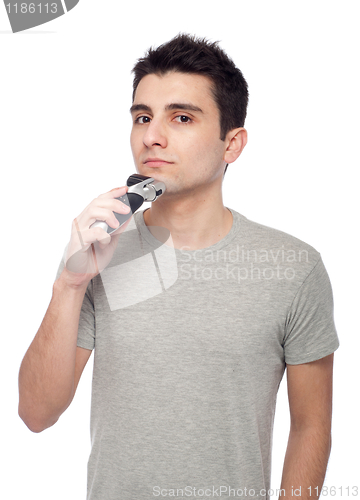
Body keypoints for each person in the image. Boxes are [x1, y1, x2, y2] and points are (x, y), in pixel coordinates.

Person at [18, 34, 339, 500]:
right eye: (142, 117)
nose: (152, 135)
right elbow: (36, 413)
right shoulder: (100, 254)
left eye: (182, 117)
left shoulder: (294, 268)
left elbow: (311, 426)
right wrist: (69, 283)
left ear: (233, 144)